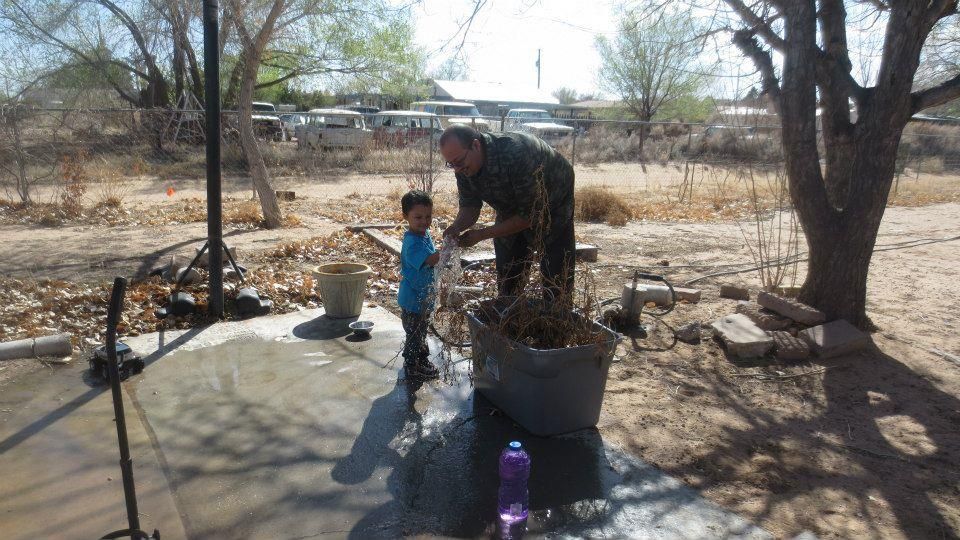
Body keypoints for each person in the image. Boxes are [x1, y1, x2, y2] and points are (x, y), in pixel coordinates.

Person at [439, 125, 576, 304]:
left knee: (556, 273)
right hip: (512, 206)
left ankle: (558, 318)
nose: (456, 169)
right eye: (451, 164)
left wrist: (481, 234)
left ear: (476, 146)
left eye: (458, 162)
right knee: (509, 271)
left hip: (553, 202)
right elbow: (470, 207)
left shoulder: (516, 153)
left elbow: (530, 215)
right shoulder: (463, 166)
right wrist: (456, 227)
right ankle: (511, 314)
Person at [398, 189, 441, 381]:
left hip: (422, 298)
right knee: (414, 335)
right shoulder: (411, 243)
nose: (424, 221)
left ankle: (422, 359)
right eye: (418, 217)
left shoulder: (424, 234)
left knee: (421, 331)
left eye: (428, 216)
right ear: (405, 216)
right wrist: (448, 248)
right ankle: (412, 365)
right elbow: (431, 260)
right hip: (412, 300)